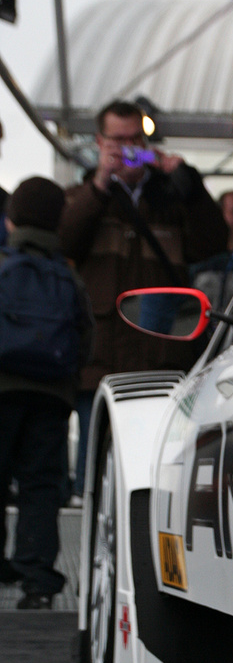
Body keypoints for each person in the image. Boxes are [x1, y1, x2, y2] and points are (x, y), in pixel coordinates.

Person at [58, 98, 227, 499]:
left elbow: (213, 241)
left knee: (156, 481)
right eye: (118, 140)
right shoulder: (82, 196)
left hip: (160, 359)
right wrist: (101, 184)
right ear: (99, 142)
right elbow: (65, 241)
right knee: (95, 481)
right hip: (100, 359)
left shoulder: (170, 199)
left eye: (136, 138)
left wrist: (188, 182)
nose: (128, 147)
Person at [0, 177, 94, 608]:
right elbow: (85, 336)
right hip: (51, 395)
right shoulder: (67, 275)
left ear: (11, 218)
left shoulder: (4, 261)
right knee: (40, 485)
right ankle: (37, 579)